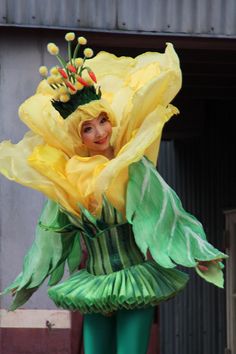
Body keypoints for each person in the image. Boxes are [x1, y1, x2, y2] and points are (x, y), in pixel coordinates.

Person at [0, 33, 227, 354]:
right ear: (79, 137)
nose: (100, 132)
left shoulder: (133, 168)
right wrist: (29, 277)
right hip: (94, 285)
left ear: (111, 119)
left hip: (135, 279)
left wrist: (199, 251)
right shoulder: (68, 180)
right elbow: (50, 232)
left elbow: (168, 212)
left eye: (103, 121)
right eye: (88, 128)